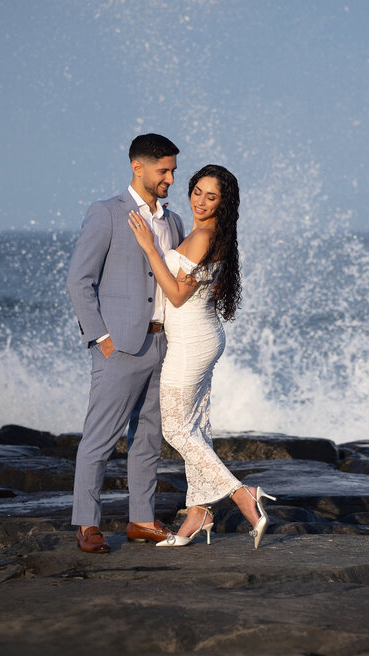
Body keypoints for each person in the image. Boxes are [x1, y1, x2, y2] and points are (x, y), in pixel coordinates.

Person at [127, 164, 275, 548]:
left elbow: (176, 295)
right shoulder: (208, 234)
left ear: (223, 203)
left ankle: (243, 496)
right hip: (203, 335)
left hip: (191, 342)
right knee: (195, 427)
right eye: (197, 191)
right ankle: (198, 512)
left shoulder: (203, 236)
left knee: (175, 429)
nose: (201, 201)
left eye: (212, 196)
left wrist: (148, 247)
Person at [66, 133, 185, 553]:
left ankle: (141, 519)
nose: (170, 177)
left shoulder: (173, 222)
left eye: (172, 169)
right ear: (138, 167)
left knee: (150, 436)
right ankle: (86, 523)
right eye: (163, 170)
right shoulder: (106, 214)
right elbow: (79, 280)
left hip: (162, 346)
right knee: (100, 438)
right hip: (119, 348)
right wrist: (101, 338)